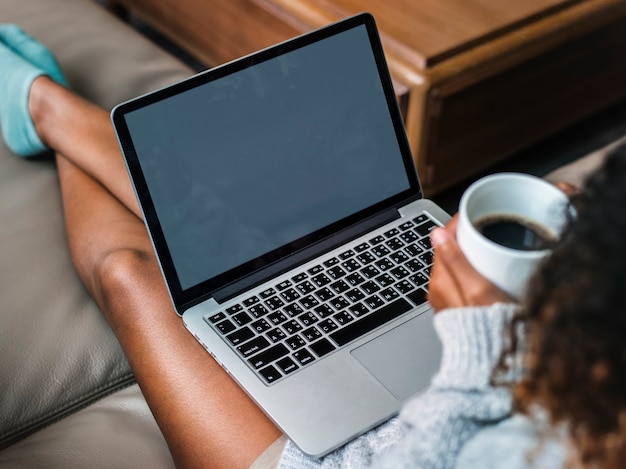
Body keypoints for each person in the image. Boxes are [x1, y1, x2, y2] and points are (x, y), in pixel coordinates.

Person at [1, 24, 625, 469]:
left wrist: (476, 345)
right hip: (537, 369)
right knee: (252, 248)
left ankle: (47, 109)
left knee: (128, 275)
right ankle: (52, 109)